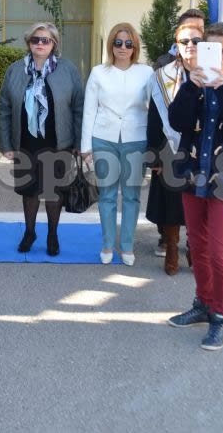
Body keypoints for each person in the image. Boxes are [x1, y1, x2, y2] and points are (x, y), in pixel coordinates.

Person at [167, 22, 223, 350]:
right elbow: (177, 122)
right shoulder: (195, 81)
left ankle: (221, 316)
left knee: (220, 253)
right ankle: (203, 304)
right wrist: (191, 87)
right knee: (198, 247)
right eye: (211, 49)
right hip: (194, 175)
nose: (217, 57)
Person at [0, 22, 84, 256]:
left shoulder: (67, 69)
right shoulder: (15, 70)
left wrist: (79, 143)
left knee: (54, 192)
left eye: (45, 40)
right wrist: (5, 144)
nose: (40, 44)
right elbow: (4, 108)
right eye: (35, 40)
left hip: (58, 143)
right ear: (29, 43)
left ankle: (52, 234)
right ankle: (29, 231)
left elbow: (79, 107)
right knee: (29, 191)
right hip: (25, 143)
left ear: (54, 44)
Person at [81, 22, 152, 266]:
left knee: (132, 195)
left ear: (135, 46)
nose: (123, 47)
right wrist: (85, 146)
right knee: (107, 195)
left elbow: (155, 110)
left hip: (136, 139)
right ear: (111, 45)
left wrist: (156, 148)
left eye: (128, 43)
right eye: (118, 42)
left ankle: (128, 245)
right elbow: (89, 110)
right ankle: (107, 244)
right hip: (104, 138)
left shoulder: (147, 73)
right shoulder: (99, 72)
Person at [146, 20, 203, 274]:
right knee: (172, 202)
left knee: (199, 199)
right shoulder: (163, 75)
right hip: (170, 146)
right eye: (184, 41)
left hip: (203, 146)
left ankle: (194, 247)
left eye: (196, 41)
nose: (190, 45)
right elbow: (155, 119)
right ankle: (171, 248)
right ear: (176, 45)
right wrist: (154, 156)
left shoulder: (215, 71)